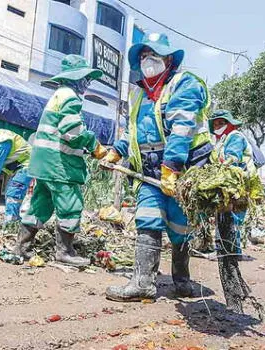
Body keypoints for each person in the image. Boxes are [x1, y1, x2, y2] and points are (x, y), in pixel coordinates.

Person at [102, 33, 213, 301]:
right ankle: (143, 283)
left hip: (183, 171)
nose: (148, 61)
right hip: (149, 172)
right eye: (143, 56)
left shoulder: (184, 85)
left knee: (180, 228)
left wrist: (171, 169)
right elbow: (133, 132)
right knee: (147, 219)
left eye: (154, 55)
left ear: (169, 59)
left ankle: (182, 280)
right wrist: (116, 153)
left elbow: (182, 130)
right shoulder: (139, 93)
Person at [15, 54, 107, 267]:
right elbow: (71, 132)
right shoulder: (71, 97)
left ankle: (22, 248)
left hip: (43, 164)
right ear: (78, 79)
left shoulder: (58, 95)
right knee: (70, 205)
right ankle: (65, 252)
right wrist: (94, 146)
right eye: (86, 79)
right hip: (59, 166)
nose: (87, 84)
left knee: (40, 205)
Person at [208, 110, 257, 260]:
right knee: (225, 216)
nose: (218, 126)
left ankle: (231, 253)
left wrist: (219, 168)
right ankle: (228, 252)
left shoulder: (234, 136)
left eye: (221, 123)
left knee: (232, 218)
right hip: (229, 183)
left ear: (229, 124)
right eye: (215, 124)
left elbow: (233, 157)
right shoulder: (222, 140)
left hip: (239, 183)